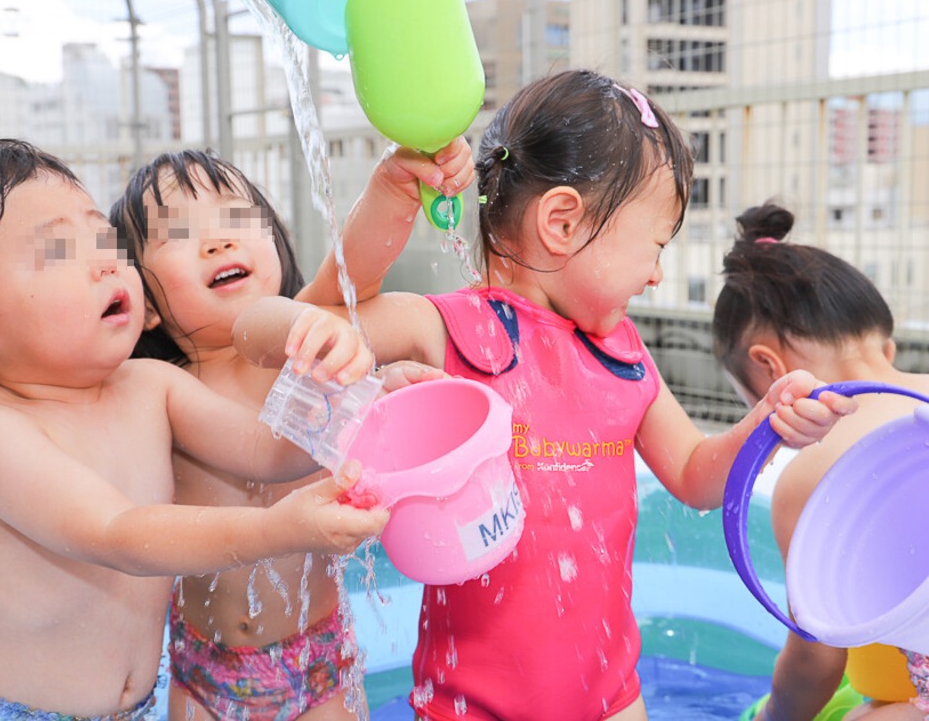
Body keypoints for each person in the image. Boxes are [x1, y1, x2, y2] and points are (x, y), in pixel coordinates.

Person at [233, 69, 857, 721]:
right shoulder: (448, 329)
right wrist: (330, 301)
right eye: (655, 244)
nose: (656, 273)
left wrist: (768, 421)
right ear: (562, 222)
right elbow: (259, 332)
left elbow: (697, 478)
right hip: (469, 707)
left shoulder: (625, 355)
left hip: (613, 698)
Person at [0, 138, 390, 721]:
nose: (105, 261)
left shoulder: (149, 385)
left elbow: (264, 449)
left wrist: (362, 400)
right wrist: (277, 528)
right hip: (7, 710)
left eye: (101, 237)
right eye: (58, 251)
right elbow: (119, 533)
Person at [109, 139, 473, 719]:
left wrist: (392, 188)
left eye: (235, 217)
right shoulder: (155, 388)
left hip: (315, 659)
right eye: (179, 233)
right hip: (202, 662)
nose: (219, 240)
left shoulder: (297, 342)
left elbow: (351, 269)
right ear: (144, 304)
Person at [713, 201, 929, 721]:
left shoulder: (813, 471)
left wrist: (774, 717)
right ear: (887, 347)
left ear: (770, 372)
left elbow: (815, 659)